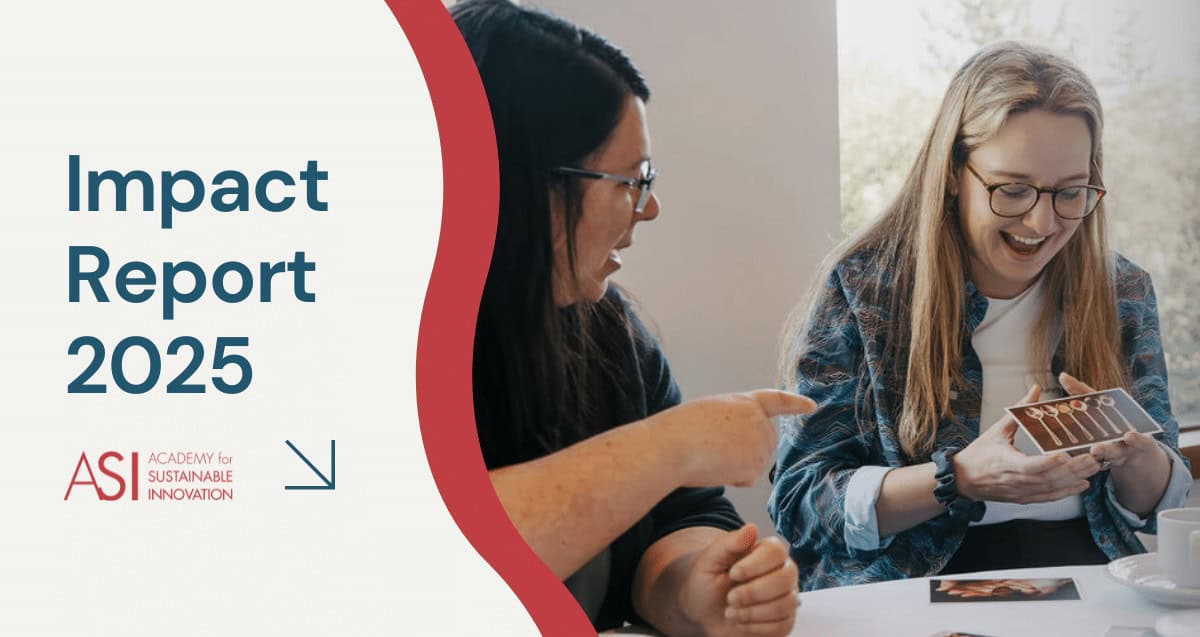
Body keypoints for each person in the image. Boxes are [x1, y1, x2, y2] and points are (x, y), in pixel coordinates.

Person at [769, 41, 1191, 591]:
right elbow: (802, 503)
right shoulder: (862, 288)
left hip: (1090, 572)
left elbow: (1160, 500)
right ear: (951, 173)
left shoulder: (1121, 289)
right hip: (909, 579)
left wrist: (1136, 461)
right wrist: (960, 479)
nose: (1041, 223)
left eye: (1070, 192)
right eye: (1012, 190)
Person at [454, 1, 811, 632]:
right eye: (629, 181)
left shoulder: (607, 332)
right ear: (527, 185)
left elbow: (681, 517)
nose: (648, 210)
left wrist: (699, 588)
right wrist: (669, 447)